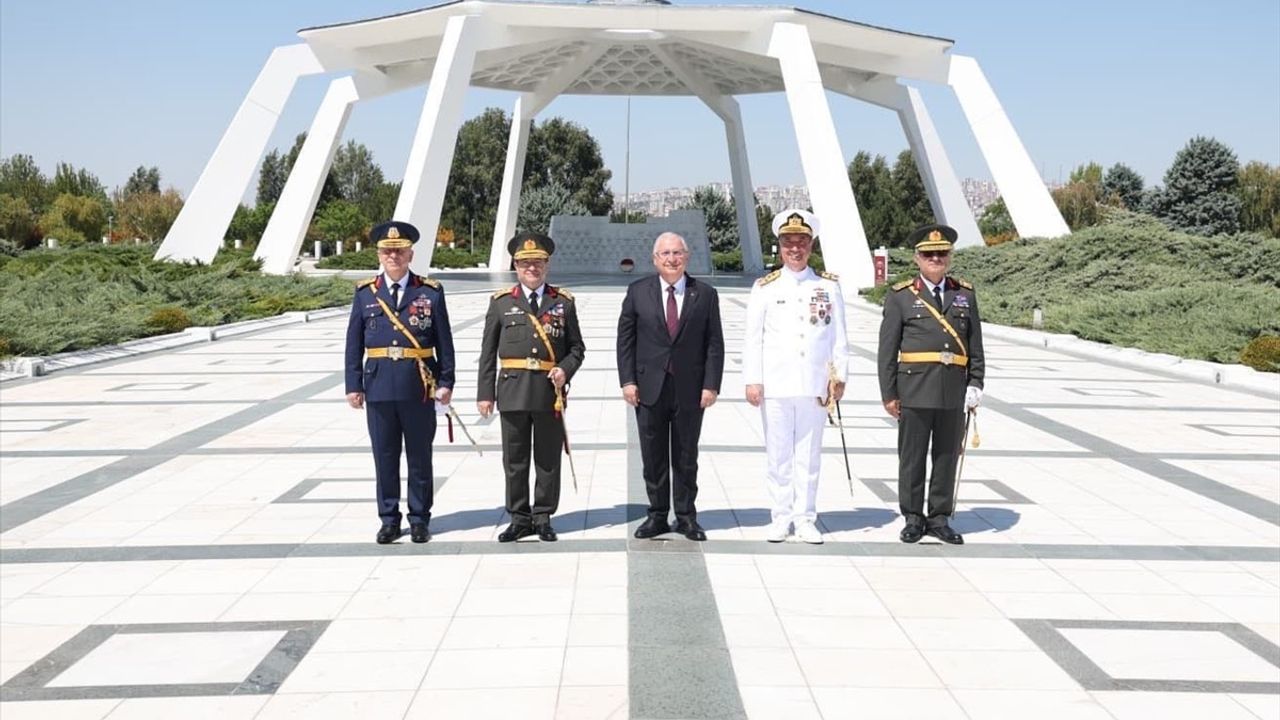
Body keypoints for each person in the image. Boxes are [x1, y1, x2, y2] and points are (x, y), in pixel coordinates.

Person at [344, 221, 455, 544]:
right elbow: (354, 342)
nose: (393, 256)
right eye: (387, 251)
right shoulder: (366, 293)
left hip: (418, 385)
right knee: (385, 455)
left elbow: (444, 340)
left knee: (420, 456)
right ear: (379, 254)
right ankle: (389, 519)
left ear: (410, 254)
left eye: (399, 251)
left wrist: (446, 380)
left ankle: (420, 518)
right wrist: (353, 384)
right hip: (378, 386)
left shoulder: (429, 292)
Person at [743, 209, 850, 544]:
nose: (795, 248)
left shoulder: (827, 287)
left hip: (815, 384)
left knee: (809, 455)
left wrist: (840, 375)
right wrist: (753, 379)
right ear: (780, 246)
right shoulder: (764, 287)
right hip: (776, 384)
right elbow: (753, 337)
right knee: (778, 455)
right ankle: (780, 516)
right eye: (788, 243)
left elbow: (839, 336)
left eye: (801, 242)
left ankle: (805, 518)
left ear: (811, 245)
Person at [877, 224, 986, 545]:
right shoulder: (900, 297)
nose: (935, 258)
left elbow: (975, 344)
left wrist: (976, 382)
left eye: (941, 254)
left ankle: (939, 517)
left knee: (946, 455)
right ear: (917, 259)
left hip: (953, 389)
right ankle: (913, 516)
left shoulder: (964, 294)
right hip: (914, 389)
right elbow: (887, 350)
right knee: (912, 456)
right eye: (929, 254)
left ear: (950, 257)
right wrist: (889, 393)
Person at [477, 232, 586, 542]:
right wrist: (485, 394)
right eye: (526, 263)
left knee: (548, 458)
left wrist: (565, 370)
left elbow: (577, 348)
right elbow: (487, 353)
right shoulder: (501, 303)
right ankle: (519, 517)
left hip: (548, 394)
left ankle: (543, 516)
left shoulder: (562, 302)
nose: (532, 268)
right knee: (515, 459)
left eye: (538, 262)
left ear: (547, 265)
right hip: (512, 391)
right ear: (515, 265)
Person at [617, 232, 725, 541]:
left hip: (690, 389)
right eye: (665, 253)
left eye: (677, 253)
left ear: (687, 258)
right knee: (653, 456)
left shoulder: (704, 294)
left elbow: (714, 343)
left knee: (686, 454)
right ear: (655, 259)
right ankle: (657, 515)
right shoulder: (638, 292)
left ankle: (687, 516)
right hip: (649, 387)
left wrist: (711, 385)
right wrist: (628, 380)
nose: (671, 259)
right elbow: (625, 340)